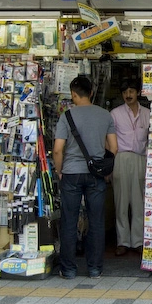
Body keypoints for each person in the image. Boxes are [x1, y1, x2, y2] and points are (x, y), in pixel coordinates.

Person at [53, 76, 118, 279]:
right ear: (91, 93)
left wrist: (59, 170)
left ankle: (69, 269)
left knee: (69, 222)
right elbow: (114, 148)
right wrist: (104, 167)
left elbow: (57, 150)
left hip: (71, 174)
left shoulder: (67, 116)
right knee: (96, 222)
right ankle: (94, 268)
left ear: (73, 94)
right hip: (95, 175)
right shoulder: (105, 115)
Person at [110, 79, 148, 256]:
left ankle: (138, 241)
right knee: (121, 201)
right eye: (125, 92)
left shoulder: (147, 113)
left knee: (139, 201)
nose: (128, 95)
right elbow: (107, 138)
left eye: (131, 91)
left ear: (138, 92)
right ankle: (123, 241)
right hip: (121, 158)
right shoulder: (115, 114)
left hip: (141, 158)